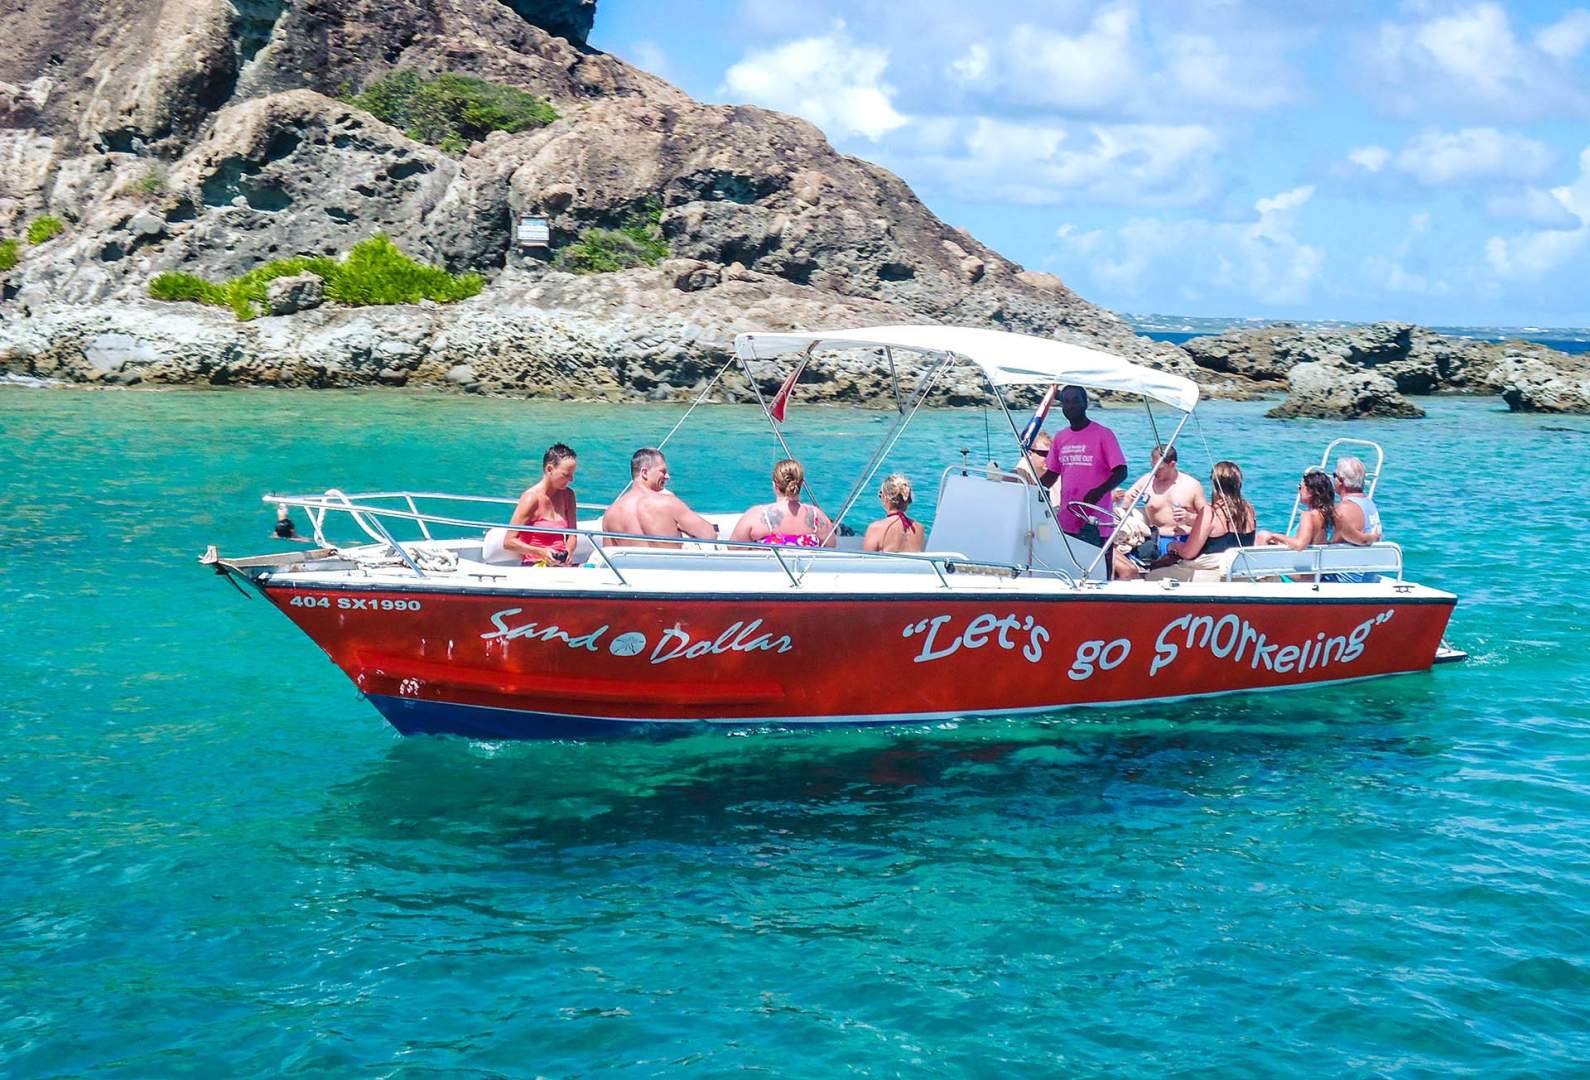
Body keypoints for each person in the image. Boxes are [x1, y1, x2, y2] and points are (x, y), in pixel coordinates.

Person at [1038, 385, 1128, 547]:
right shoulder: (1060, 437)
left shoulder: (1103, 435)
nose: (1071, 406)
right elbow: (1052, 474)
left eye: (1075, 401)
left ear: (1085, 403)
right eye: (1066, 402)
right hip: (1067, 520)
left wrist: (1098, 492)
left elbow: (1121, 472)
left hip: (1096, 521)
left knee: (1098, 569)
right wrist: (1031, 490)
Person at [1151, 460, 1257, 581]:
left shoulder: (1210, 512)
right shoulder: (1249, 509)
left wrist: (1174, 546)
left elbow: (1188, 553)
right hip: (1239, 571)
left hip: (1211, 573)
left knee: (1153, 575)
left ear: (1214, 484)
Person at [1114, 444, 1206, 578]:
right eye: (1153, 466)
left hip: (1180, 539)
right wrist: (1127, 501)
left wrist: (1189, 517)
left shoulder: (1191, 486)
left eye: (1159, 468)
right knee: (1120, 557)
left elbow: (1207, 519)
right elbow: (1124, 506)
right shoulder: (1147, 480)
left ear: (1172, 464)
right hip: (1152, 538)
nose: (1155, 471)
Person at [601, 448, 718, 549]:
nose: (668, 477)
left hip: (630, 574)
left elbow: (608, 554)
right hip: (667, 572)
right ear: (644, 472)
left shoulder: (611, 513)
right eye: (663, 471)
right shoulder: (668, 503)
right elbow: (709, 535)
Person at [730, 459, 837, 548]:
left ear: (775, 485)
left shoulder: (756, 515)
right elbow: (831, 549)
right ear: (802, 484)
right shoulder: (817, 516)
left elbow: (733, 548)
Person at [504, 443, 579, 566]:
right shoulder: (531, 498)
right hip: (536, 564)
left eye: (572, 474)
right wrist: (542, 552)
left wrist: (569, 551)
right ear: (550, 469)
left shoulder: (568, 495)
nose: (571, 480)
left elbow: (572, 535)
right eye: (566, 475)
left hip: (561, 565)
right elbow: (508, 542)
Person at [1256, 466, 1336, 550]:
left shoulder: (1308, 516)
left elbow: (1300, 544)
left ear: (1311, 492)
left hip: (1298, 559)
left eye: (1300, 488)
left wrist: (1276, 536)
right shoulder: (1326, 516)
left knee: (1263, 535)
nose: (1299, 491)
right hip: (1314, 557)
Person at [863, 474, 926, 553]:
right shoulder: (919, 529)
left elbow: (866, 562)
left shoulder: (876, 528)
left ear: (885, 497)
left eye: (880, 495)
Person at [1331, 455, 1382, 546]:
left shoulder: (1344, 509)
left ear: (1341, 481)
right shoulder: (1368, 502)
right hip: (1372, 558)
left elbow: (1334, 544)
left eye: (1334, 475)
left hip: (1349, 558)